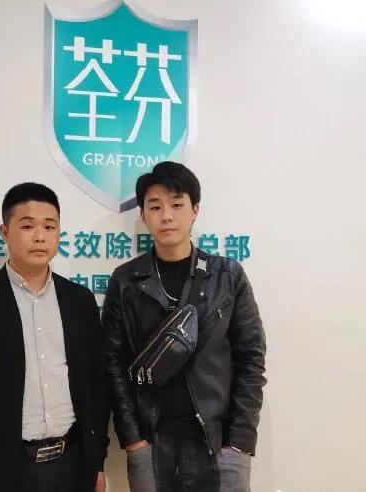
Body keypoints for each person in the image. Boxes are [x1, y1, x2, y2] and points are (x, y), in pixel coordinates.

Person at [0, 183, 109, 492]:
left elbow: (96, 386)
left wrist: (96, 461)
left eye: (49, 226)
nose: (39, 236)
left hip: (72, 466)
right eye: (27, 226)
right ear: (4, 232)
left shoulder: (79, 301)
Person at [103, 162, 266, 491]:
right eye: (155, 207)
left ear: (195, 210)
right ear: (143, 215)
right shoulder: (126, 280)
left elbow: (251, 358)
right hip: (152, 443)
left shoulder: (227, 276)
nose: (166, 216)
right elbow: (112, 362)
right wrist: (133, 440)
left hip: (218, 442)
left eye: (177, 205)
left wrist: (239, 442)